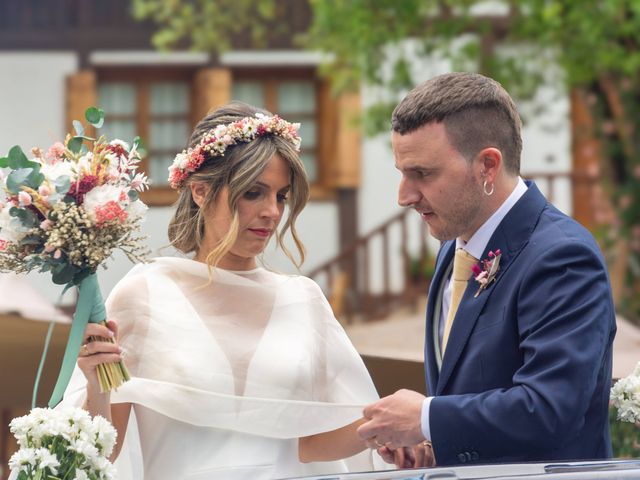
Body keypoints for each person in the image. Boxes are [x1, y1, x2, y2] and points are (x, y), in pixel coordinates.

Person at [60, 102, 382, 479]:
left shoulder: (303, 299)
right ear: (200, 191)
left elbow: (311, 444)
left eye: (281, 196)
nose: (272, 212)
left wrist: (393, 428)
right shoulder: (145, 292)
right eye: (253, 193)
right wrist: (98, 386)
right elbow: (104, 450)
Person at [357, 72, 616, 466]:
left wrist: (426, 419)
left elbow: (550, 409)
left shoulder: (562, 257)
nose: (404, 196)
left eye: (422, 174)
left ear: (487, 166)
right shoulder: (453, 249)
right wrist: (434, 448)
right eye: (401, 173)